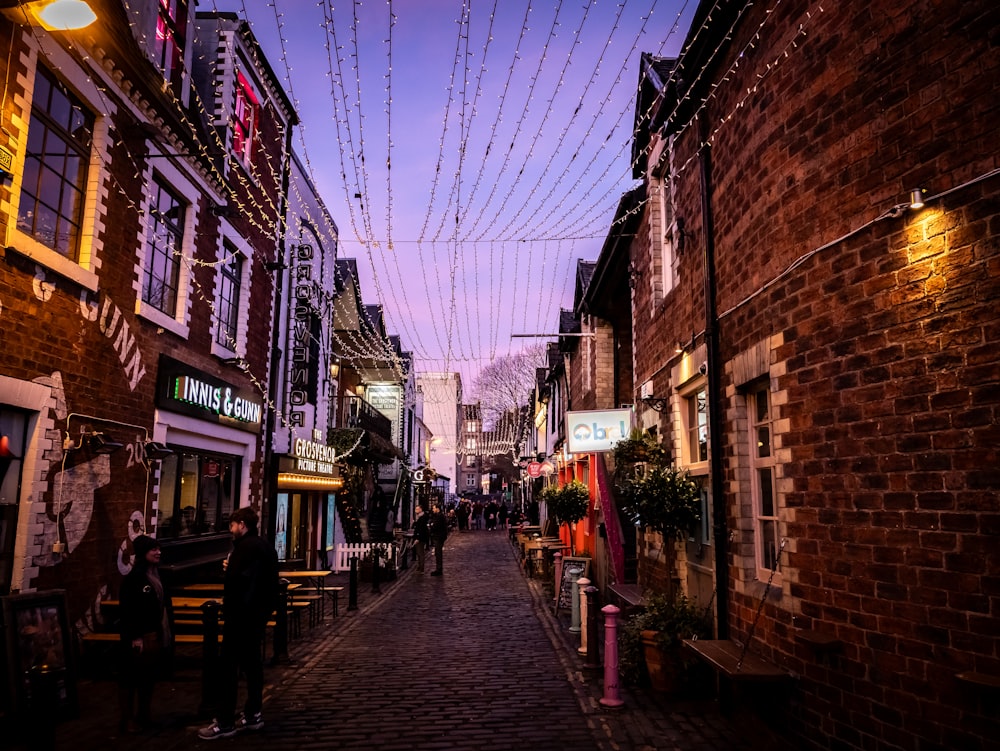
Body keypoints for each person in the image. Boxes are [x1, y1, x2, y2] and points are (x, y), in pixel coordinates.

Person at [198, 507, 279, 740]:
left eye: (232, 525)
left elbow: (242, 584)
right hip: (255, 618)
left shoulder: (244, 549)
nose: (230, 529)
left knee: (229, 669)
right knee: (253, 667)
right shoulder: (264, 547)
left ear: (242, 525)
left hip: (240, 618)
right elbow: (265, 582)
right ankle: (253, 714)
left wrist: (231, 574)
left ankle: (225, 721)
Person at [119, 535, 171, 733]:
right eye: (153, 550)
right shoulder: (134, 579)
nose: (158, 552)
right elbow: (129, 610)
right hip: (140, 636)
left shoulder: (156, 574)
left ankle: (144, 715)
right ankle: (127, 720)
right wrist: (136, 636)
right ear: (143, 553)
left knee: (148, 678)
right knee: (131, 678)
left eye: (158, 549)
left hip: (154, 633)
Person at [429, 504, 448, 576]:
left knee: (438, 553)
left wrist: (431, 525)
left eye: (434, 508)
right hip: (439, 536)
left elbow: (435, 526)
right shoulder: (439, 516)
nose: (433, 510)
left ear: (437, 509)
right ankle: (438, 569)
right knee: (437, 553)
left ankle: (439, 569)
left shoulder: (439, 516)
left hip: (439, 537)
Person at [412, 505, 429, 572]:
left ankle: (421, 568)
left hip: (421, 538)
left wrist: (418, 538)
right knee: (419, 553)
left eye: (417, 509)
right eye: (415, 509)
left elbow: (421, 529)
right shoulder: (420, 517)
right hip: (421, 537)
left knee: (420, 553)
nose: (415, 510)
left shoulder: (422, 518)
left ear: (420, 509)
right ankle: (419, 566)